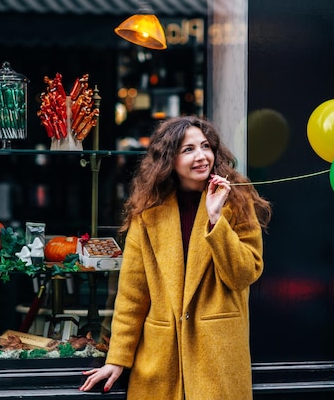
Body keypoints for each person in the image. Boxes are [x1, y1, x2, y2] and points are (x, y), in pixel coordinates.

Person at [79, 115, 272, 399]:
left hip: (216, 357)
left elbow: (244, 274)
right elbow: (133, 293)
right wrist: (118, 358)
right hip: (161, 358)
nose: (201, 156)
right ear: (169, 159)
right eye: (188, 149)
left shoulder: (237, 202)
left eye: (206, 146)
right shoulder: (147, 212)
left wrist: (216, 219)